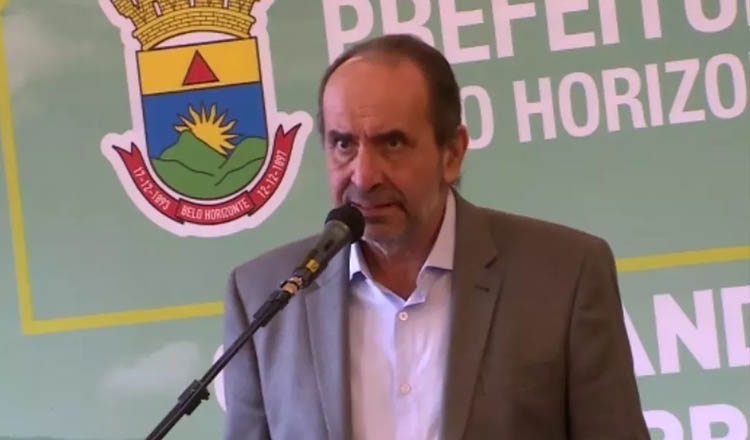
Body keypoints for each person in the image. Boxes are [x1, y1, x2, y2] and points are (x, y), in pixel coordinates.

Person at [223, 34, 649, 440]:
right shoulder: (264, 297)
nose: (364, 176)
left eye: (392, 143)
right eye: (343, 144)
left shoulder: (565, 277)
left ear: (453, 153)